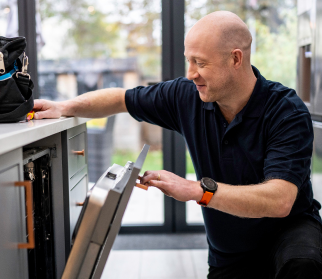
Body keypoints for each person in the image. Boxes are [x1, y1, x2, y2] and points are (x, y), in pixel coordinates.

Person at [33, 11, 322, 279]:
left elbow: (280, 201)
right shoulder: (187, 96)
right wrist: (65, 106)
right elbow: (121, 98)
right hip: (231, 251)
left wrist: (198, 191)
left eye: (201, 62)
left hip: (288, 235)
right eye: (189, 60)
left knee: (302, 266)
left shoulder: (286, 111)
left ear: (236, 59)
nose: (190, 73)